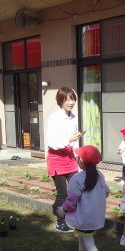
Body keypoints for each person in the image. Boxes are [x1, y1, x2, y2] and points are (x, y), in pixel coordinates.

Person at [63, 145, 111, 251]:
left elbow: (71, 200)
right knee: (83, 238)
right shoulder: (99, 175)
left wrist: (64, 209)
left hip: (83, 217)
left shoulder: (76, 179)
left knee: (88, 241)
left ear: (81, 161)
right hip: (94, 217)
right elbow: (106, 191)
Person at [47, 87, 82, 233]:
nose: (71, 102)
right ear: (60, 101)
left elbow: (75, 141)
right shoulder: (54, 117)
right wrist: (68, 140)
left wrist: (78, 156)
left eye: (72, 99)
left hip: (70, 158)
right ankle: (61, 223)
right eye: (67, 99)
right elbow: (51, 143)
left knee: (76, 189)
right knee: (63, 193)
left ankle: (68, 215)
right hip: (57, 158)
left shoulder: (73, 117)